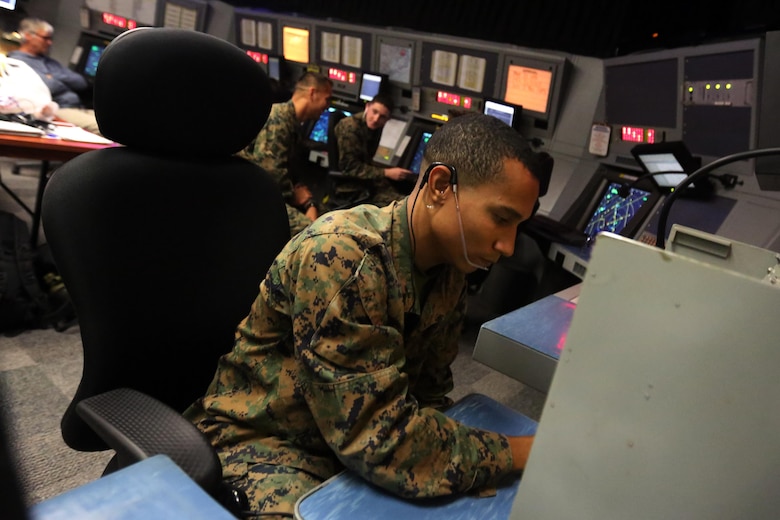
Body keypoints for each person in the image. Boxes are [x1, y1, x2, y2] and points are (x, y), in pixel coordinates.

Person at [185, 112, 547, 517]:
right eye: (501, 218)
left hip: (347, 444)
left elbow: (427, 397)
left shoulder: (450, 270)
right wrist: (518, 453)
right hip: (265, 441)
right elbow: (377, 437)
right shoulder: (343, 256)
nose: (509, 247)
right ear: (441, 187)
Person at [239, 71, 333, 236]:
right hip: (256, 196)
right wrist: (302, 201)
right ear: (313, 93)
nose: (327, 106)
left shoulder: (293, 123)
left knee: (328, 217)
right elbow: (272, 175)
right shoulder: (279, 119)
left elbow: (291, 172)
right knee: (314, 233)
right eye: (327, 99)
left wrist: (309, 203)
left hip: (275, 193)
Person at [8, 18, 100, 135]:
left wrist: (53, 76)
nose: (49, 42)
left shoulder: (51, 62)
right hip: (57, 110)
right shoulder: (15, 62)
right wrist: (55, 79)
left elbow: (80, 82)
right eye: (45, 38)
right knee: (109, 129)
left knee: (121, 122)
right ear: (28, 36)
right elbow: (48, 87)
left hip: (78, 107)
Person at [334, 92, 412, 206]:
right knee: (402, 205)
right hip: (351, 186)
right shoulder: (350, 127)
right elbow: (349, 167)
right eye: (374, 112)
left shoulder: (374, 128)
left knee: (406, 197)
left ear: (387, 119)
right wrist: (386, 172)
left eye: (382, 117)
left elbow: (365, 159)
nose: (376, 119)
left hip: (367, 181)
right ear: (367, 107)